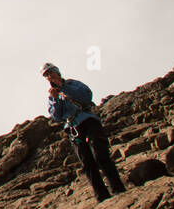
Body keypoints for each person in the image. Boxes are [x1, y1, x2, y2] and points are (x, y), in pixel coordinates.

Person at [41, 62, 126, 201]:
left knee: (100, 154)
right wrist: (55, 99)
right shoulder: (53, 95)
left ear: (57, 72)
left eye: (51, 73)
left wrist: (64, 88)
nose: (50, 76)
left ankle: (118, 188)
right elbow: (56, 116)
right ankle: (101, 196)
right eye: (47, 75)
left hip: (88, 120)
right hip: (73, 127)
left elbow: (86, 96)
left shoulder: (72, 84)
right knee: (87, 162)